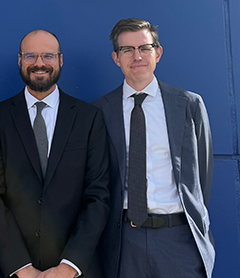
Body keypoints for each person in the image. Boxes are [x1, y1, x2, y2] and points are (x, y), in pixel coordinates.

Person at [0, 29, 109, 278]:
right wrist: (20, 267)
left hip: (75, 270)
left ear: (60, 60)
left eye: (48, 55)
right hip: (13, 270)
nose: (39, 63)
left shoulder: (89, 118)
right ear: (20, 61)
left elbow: (98, 196)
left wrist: (69, 266)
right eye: (30, 56)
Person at [92, 18, 215, 278]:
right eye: (127, 50)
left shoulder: (189, 104)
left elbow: (202, 174)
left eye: (144, 48)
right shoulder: (100, 111)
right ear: (116, 58)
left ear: (157, 53)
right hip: (125, 241)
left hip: (179, 239)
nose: (137, 56)